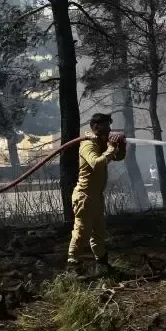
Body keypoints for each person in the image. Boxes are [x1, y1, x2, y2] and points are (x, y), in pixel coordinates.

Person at [66, 113, 127, 274]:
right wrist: (111, 148)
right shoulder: (88, 145)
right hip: (84, 196)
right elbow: (97, 163)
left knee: (98, 232)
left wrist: (121, 145)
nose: (109, 129)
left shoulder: (101, 143)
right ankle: (72, 265)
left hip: (96, 196)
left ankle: (102, 264)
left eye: (110, 126)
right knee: (81, 232)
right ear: (96, 126)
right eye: (106, 126)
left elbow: (118, 157)